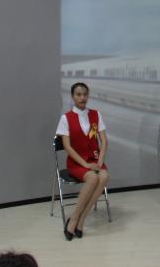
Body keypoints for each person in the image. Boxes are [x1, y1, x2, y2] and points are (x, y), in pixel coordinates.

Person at [55, 82, 110, 240]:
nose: (82, 98)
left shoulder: (96, 114)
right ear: (73, 96)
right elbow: (67, 147)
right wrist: (85, 164)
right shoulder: (66, 118)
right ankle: (73, 219)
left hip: (95, 160)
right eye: (78, 94)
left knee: (104, 176)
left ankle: (82, 219)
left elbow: (104, 141)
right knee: (93, 178)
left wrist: (100, 161)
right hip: (77, 162)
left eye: (85, 94)